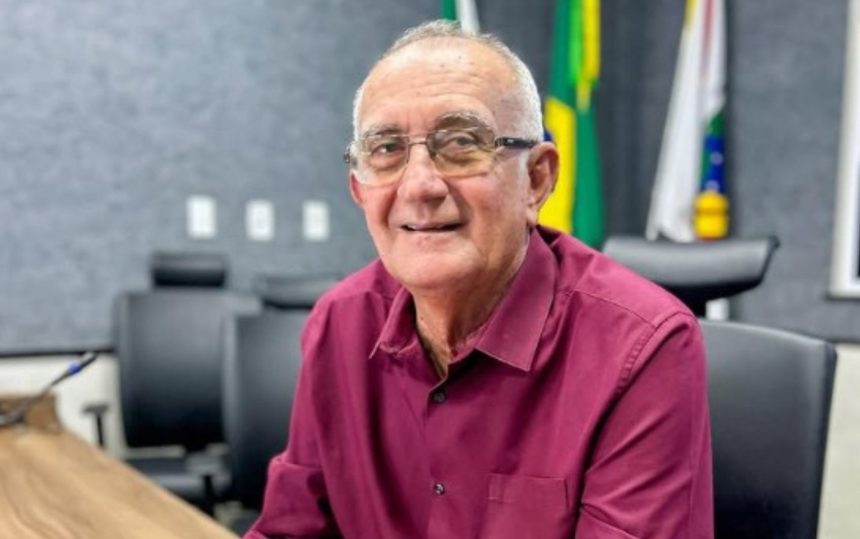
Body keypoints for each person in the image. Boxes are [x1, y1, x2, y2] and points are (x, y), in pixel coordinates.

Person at [246, 20, 712, 539]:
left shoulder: (642, 346)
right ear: (360, 190)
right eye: (386, 149)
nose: (419, 186)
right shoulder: (340, 323)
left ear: (537, 179)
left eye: (462, 142)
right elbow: (290, 529)